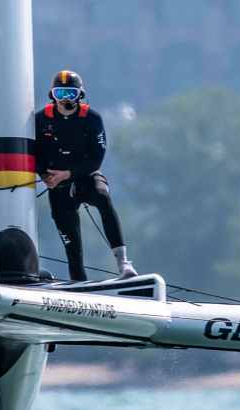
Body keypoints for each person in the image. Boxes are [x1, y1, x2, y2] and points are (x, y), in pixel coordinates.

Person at [35, 70, 137, 281]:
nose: (64, 99)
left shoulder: (92, 118)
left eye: (70, 94)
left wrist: (68, 174)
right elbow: (33, 152)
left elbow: (96, 159)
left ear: (80, 95)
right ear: (51, 95)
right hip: (58, 186)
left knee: (102, 196)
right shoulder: (40, 119)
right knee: (72, 247)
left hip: (85, 177)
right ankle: (78, 282)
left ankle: (123, 263)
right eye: (59, 93)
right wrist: (44, 174)